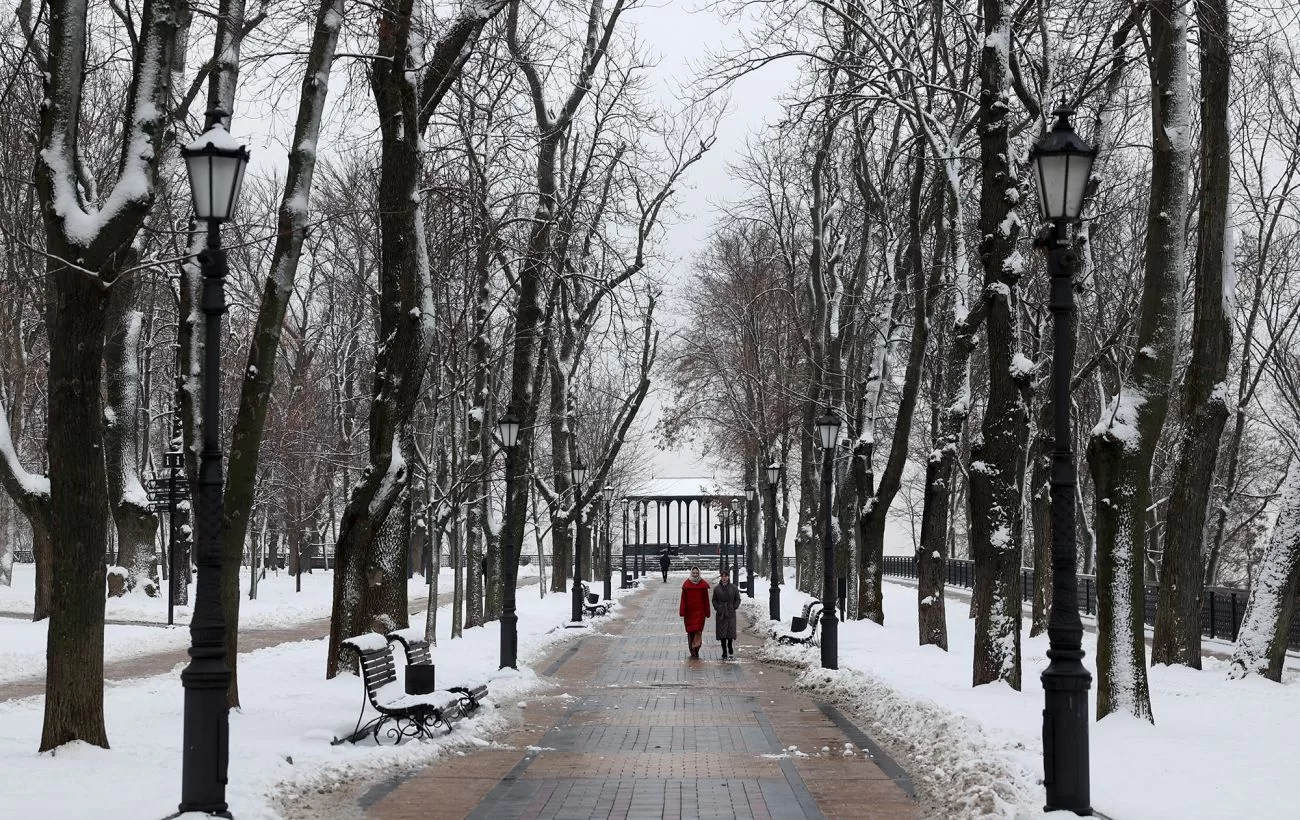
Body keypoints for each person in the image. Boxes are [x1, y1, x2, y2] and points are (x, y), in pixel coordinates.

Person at [678, 566, 711, 658]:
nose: (695, 574)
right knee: (690, 632)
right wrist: (682, 611)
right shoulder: (686, 585)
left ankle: (697, 648)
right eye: (694, 573)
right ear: (691, 573)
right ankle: (692, 650)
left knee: (698, 631)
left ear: (699, 573)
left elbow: (706, 600)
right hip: (689, 613)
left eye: (697, 573)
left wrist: (707, 612)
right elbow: (683, 599)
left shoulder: (703, 586)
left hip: (700, 613)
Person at [712, 570, 741, 658]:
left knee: (730, 631)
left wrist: (734, 606)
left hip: (730, 612)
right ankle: (724, 650)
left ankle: (730, 644)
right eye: (722, 576)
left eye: (726, 576)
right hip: (721, 613)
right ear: (721, 577)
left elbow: (737, 599)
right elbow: (714, 600)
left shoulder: (734, 587)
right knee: (722, 632)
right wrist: (717, 607)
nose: (724, 578)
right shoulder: (716, 588)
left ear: (728, 577)